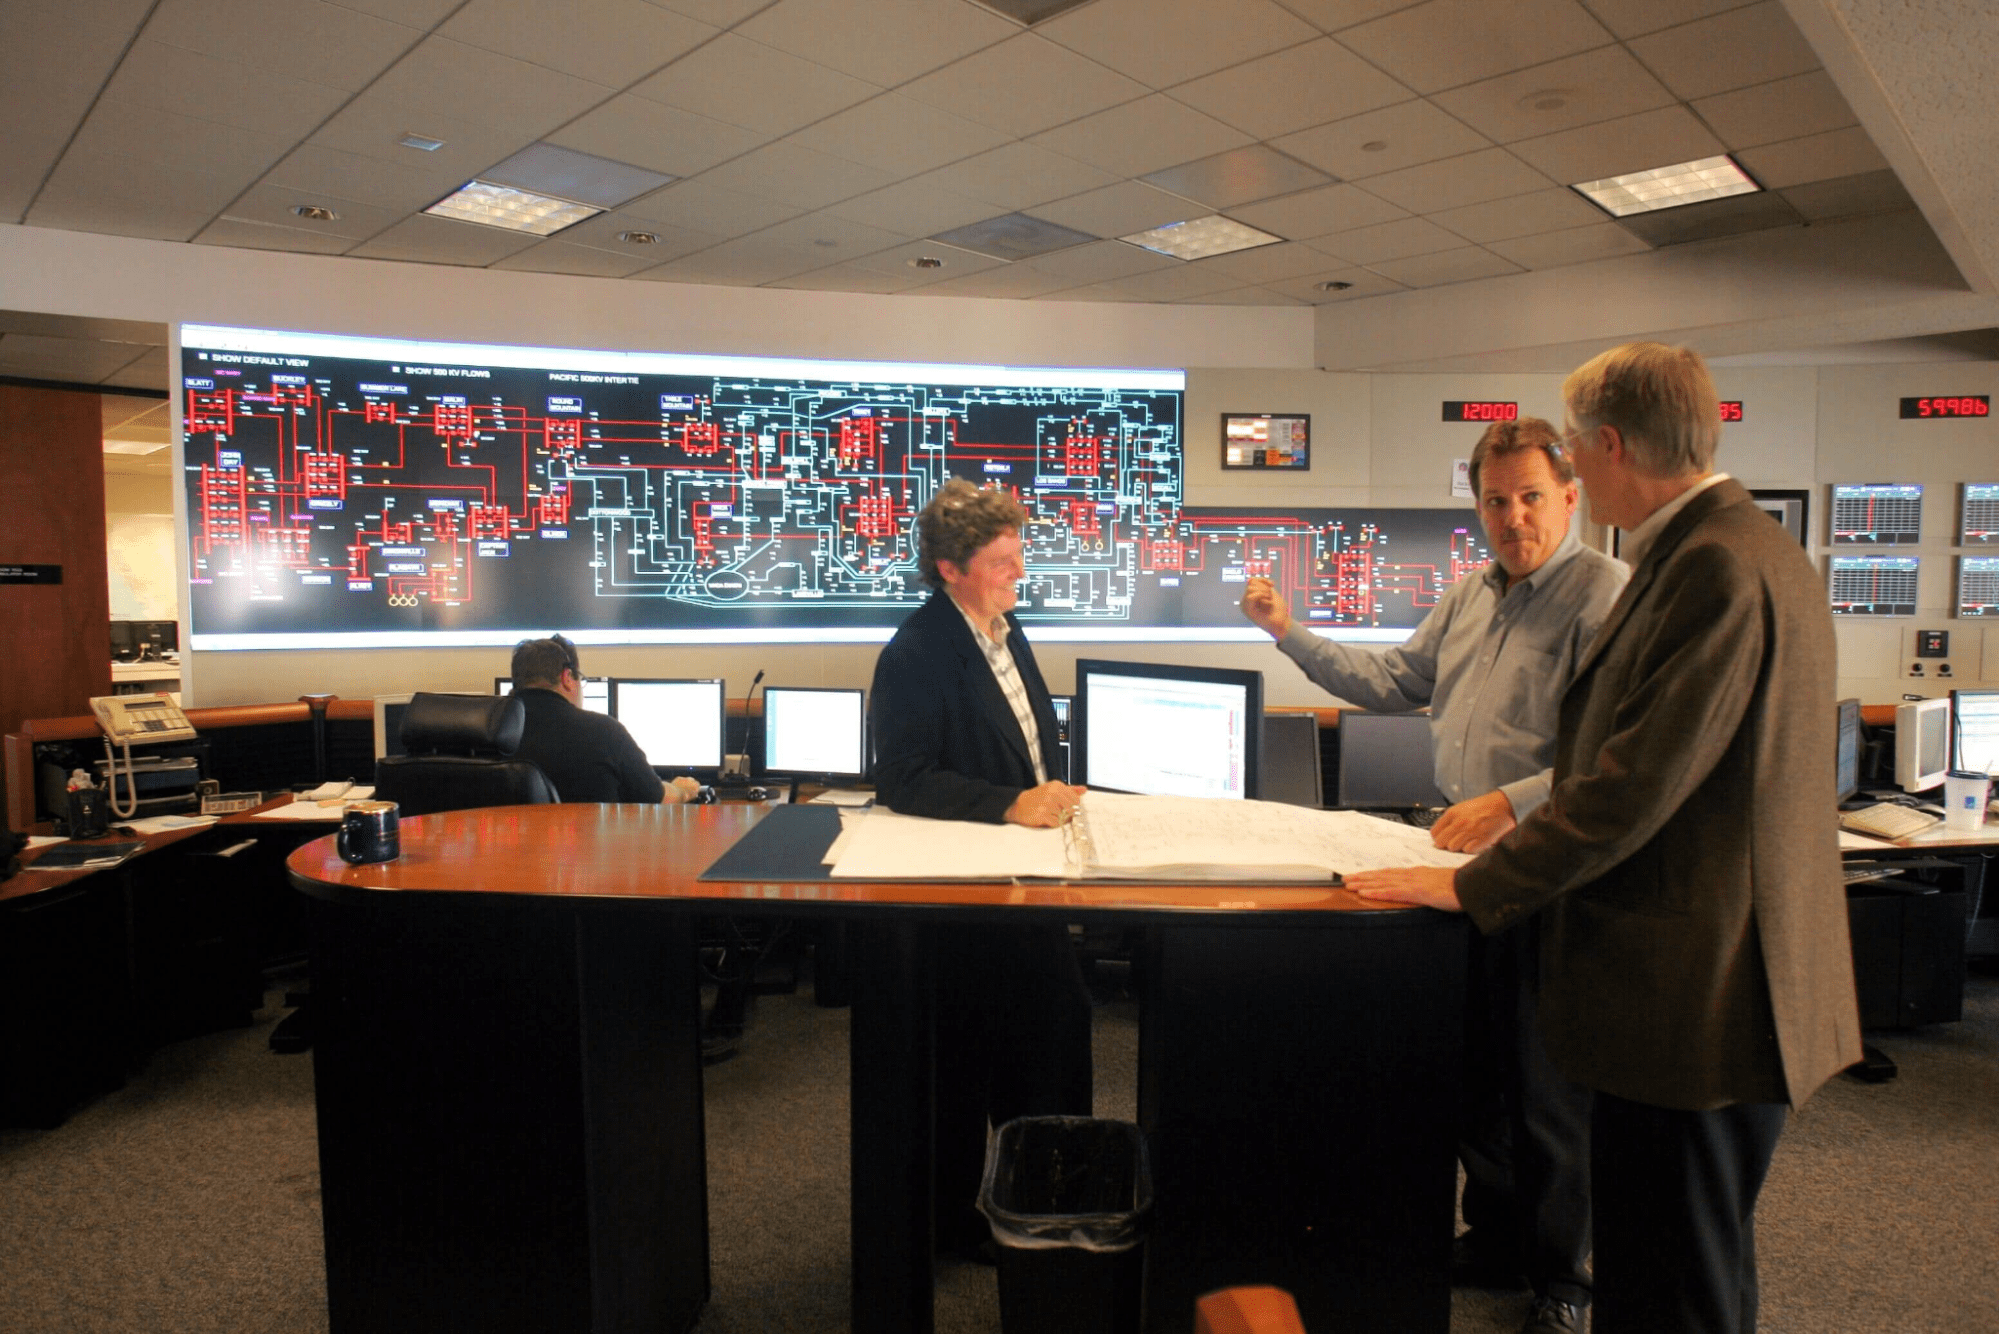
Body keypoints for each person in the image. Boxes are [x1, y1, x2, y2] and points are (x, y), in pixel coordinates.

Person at [1349, 343, 1862, 1334]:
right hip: (1708, 988)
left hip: (1697, 1003)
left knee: (1669, 1287)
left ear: (1613, 444)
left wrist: (1469, 885)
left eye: (1576, 450)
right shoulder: (1737, 547)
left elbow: (1628, 789)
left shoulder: (1710, 565)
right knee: (1693, 1272)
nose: (1570, 471)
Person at [1240, 417, 1625, 1335]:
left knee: (1545, 1092)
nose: (1512, 516)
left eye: (1531, 496)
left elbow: (1619, 754)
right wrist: (1288, 631)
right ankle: (1495, 1239)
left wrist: (1509, 801)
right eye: (1495, 500)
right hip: (1456, 874)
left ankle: (1563, 1278)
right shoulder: (1468, 596)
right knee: (1474, 1081)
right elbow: (1392, 680)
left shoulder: (1606, 598)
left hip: (1545, 874)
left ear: (1569, 497)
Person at [870, 478, 1093, 1256]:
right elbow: (900, 776)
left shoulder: (1005, 627)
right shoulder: (916, 653)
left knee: (1049, 1039)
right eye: (1002, 561)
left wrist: (1051, 787)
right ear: (948, 569)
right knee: (996, 1052)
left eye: (1018, 554)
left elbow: (1029, 733)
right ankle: (991, 1222)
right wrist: (1010, 802)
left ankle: (1039, 1204)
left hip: (1027, 870)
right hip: (973, 888)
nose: (1018, 571)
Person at [507, 634, 701, 804]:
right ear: (567, 678)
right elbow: (656, 797)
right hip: (591, 846)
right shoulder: (604, 731)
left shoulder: (488, 734)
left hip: (505, 845)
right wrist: (683, 790)